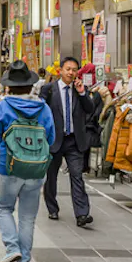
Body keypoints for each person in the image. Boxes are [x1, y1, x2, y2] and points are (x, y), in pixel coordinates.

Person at [0, 61, 54, 262]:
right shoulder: (43, 108)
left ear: (9, 86)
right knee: (27, 217)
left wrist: (10, 150)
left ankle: (12, 248)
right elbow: (51, 138)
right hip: (36, 170)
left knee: (3, 208)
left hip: (8, 167)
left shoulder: (4, 106)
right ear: (30, 85)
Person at [40, 57, 102, 228]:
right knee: (51, 177)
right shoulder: (48, 89)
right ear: (60, 70)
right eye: (68, 69)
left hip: (74, 141)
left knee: (77, 176)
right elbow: (40, 112)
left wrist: (82, 93)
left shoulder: (80, 90)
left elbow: (90, 110)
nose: (71, 72)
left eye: (74, 70)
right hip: (54, 140)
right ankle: (52, 208)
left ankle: (82, 214)